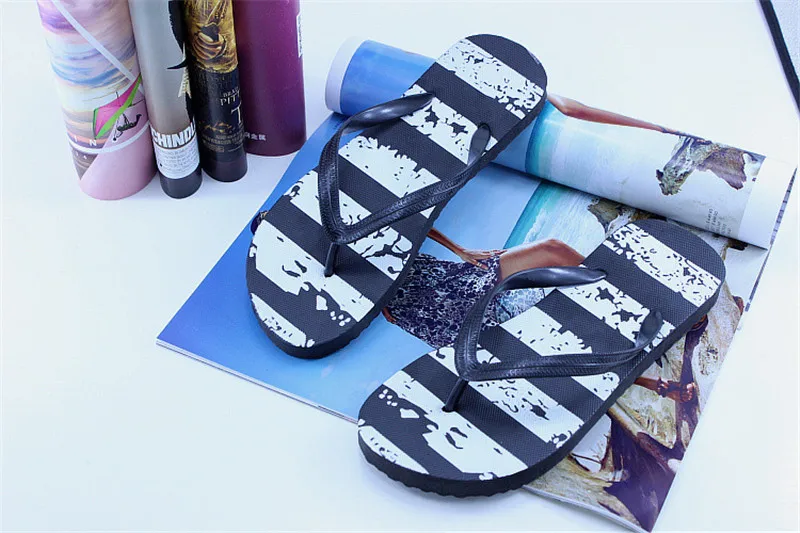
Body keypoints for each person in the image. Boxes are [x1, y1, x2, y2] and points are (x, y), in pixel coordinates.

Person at [383, 228, 584, 348]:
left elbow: (412, 221)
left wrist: (460, 250)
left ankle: (601, 288)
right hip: (420, 314)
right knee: (514, 346)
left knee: (551, 248)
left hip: (444, 276)